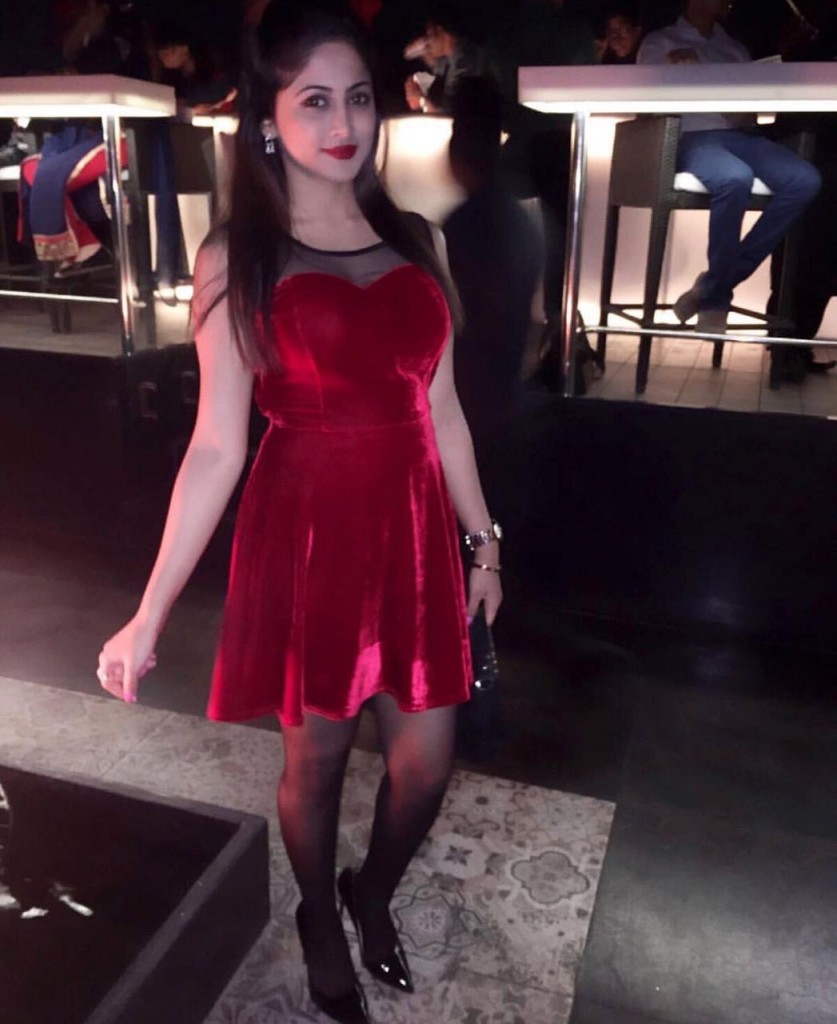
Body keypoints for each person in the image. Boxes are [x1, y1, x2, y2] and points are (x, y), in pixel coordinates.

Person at [95, 4, 502, 1024]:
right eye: (313, 100)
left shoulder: (418, 240)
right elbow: (216, 446)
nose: (343, 122)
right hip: (306, 533)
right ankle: (320, 913)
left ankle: (371, 890)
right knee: (312, 762)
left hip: (412, 536)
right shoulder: (239, 255)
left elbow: (444, 409)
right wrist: (148, 613)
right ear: (268, 121)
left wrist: (483, 542)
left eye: (357, 97)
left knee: (425, 765)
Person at [637, 0, 822, 334]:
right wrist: (678, 73)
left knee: (805, 179)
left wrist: (746, 106)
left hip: (740, 135)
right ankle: (716, 301)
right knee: (734, 177)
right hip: (692, 135)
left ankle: (713, 284)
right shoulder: (660, 41)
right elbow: (646, 99)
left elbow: (749, 113)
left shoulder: (733, 48)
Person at [403, 3, 493, 113]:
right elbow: (413, 54)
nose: (428, 43)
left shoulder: (465, 65)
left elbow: (452, 116)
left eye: (429, 35)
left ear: (440, 32)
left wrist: (421, 98)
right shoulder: (452, 58)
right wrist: (423, 46)